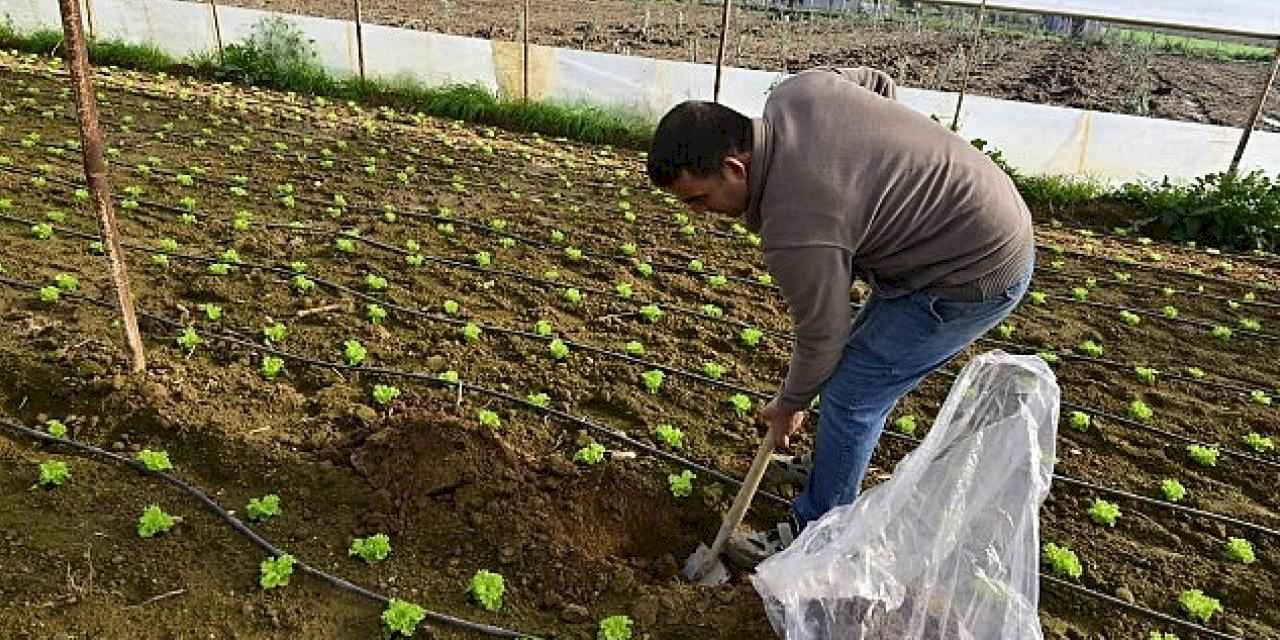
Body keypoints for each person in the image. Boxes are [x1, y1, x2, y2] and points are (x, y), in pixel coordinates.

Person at [645, 67, 1034, 567]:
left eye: (699, 199)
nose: (699, 213)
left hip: (971, 270)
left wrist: (788, 405)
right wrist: (876, 173)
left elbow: (823, 335)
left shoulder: (795, 225)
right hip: (976, 212)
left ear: (735, 167)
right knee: (850, 373)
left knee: (853, 395)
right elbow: (877, 83)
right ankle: (830, 466)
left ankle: (816, 534)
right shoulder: (797, 92)